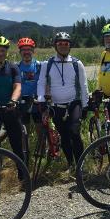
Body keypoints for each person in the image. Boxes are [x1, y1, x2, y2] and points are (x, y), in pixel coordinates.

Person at [37, 32, 88, 172]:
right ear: (55, 46)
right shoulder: (47, 64)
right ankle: (71, 163)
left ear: (70, 46)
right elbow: (41, 83)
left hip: (74, 104)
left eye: (66, 43)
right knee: (64, 136)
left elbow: (84, 86)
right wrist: (41, 99)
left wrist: (85, 106)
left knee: (75, 133)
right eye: (60, 43)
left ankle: (80, 164)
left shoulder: (77, 64)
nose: (63, 46)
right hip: (56, 106)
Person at [16, 37, 42, 136]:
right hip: (22, 102)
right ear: (20, 52)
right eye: (23, 50)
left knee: (40, 130)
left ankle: (42, 149)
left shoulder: (39, 66)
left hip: (37, 102)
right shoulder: (16, 67)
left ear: (33, 51)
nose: (26, 52)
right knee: (24, 131)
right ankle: (25, 150)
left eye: (29, 50)